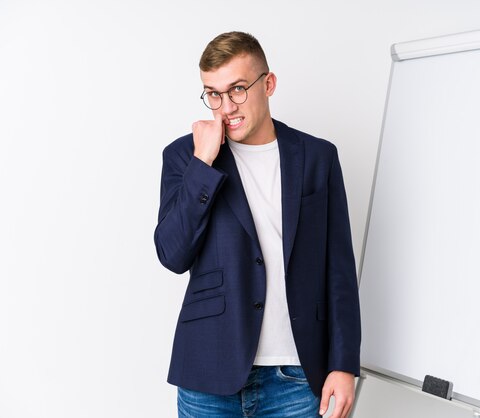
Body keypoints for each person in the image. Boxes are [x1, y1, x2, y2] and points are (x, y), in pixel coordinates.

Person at [154, 31, 361, 418]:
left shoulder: (318, 157)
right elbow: (172, 253)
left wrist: (345, 363)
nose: (225, 107)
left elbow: (339, 270)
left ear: (268, 84)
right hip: (207, 375)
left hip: (297, 376)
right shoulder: (186, 157)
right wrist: (202, 164)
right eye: (212, 93)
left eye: (236, 89)